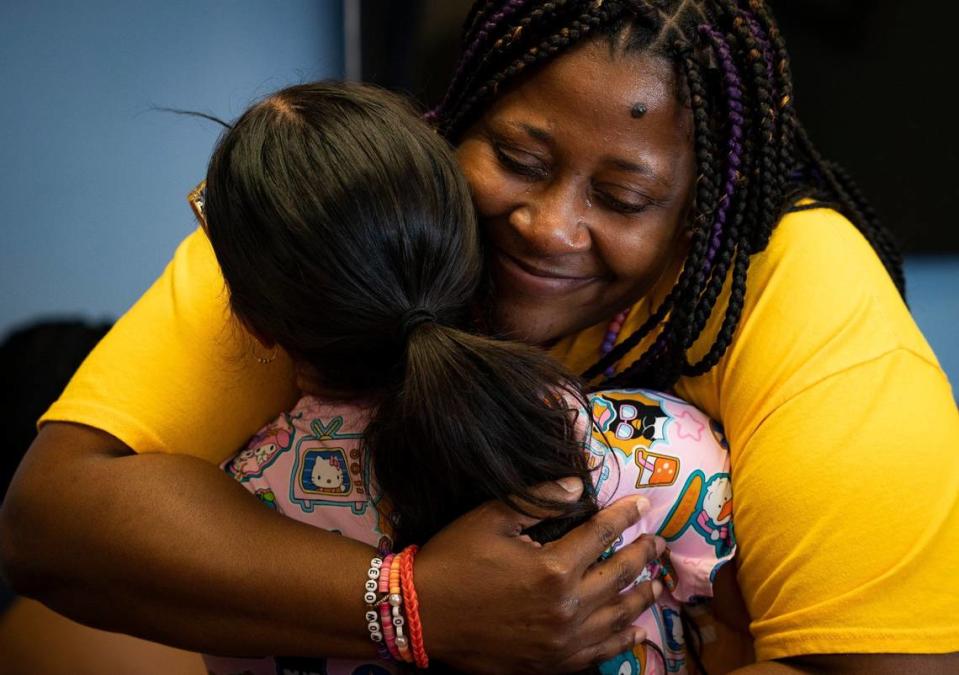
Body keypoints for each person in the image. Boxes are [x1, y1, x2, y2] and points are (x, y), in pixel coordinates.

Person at [2, 1, 957, 673]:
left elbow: (885, 670)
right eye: (515, 157)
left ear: (702, 211)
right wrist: (416, 603)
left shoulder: (795, 283)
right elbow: (52, 519)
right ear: (451, 121)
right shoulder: (346, 203)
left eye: (623, 198)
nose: (548, 224)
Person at [194, 80, 733, 675]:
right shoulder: (655, 446)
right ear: (469, 249)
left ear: (253, 322)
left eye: (623, 196)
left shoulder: (238, 523)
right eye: (522, 163)